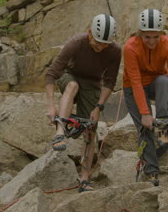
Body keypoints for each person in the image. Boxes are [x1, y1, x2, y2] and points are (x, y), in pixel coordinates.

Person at [44, 14, 121, 192]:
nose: (101, 47)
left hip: (93, 84)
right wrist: (51, 105)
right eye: (97, 42)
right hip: (70, 76)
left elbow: (110, 81)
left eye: (105, 44)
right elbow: (51, 74)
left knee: (90, 130)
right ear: (89, 33)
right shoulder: (76, 42)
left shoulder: (115, 50)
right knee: (72, 85)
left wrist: (98, 106)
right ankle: (60, 131)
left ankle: (84, 179)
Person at [123, 9, 168, 186]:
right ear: (140, 34)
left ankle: (162, 130)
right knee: (145, 126)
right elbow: (134, 82)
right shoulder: (130, 47)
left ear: (161, 34)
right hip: (133, 86)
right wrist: (145, 112)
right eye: (147, 37)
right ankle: (151, 171)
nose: (151, 41)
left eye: (155, 37)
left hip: (157, 82)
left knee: (165, 81)